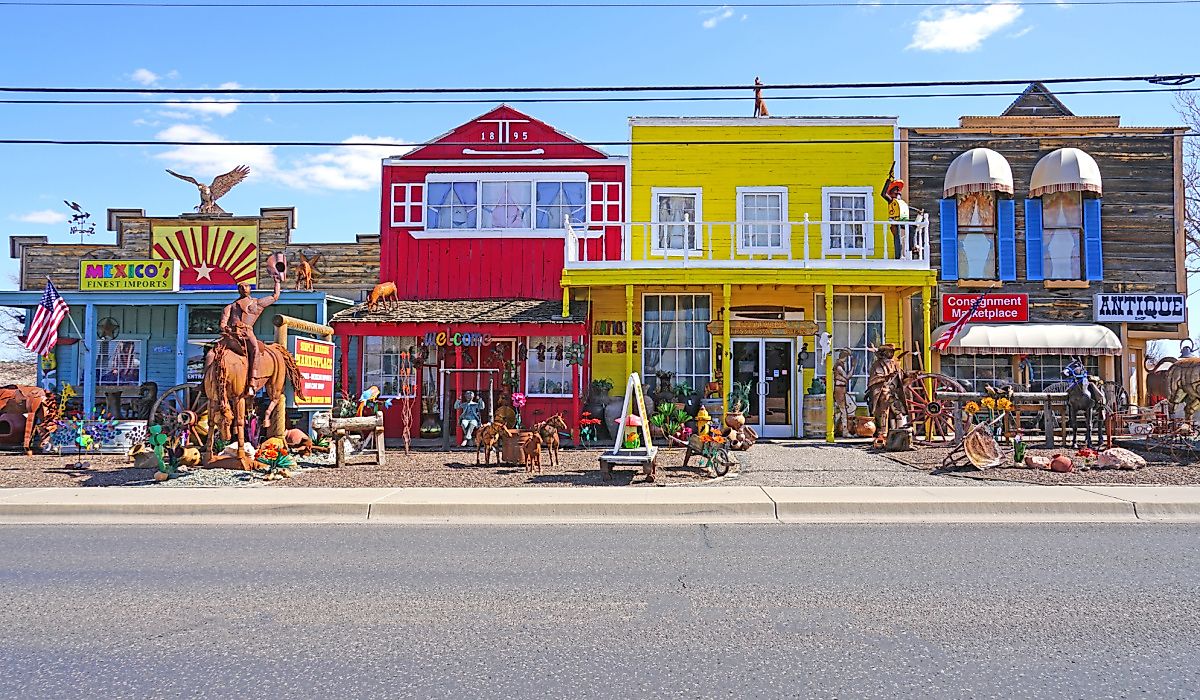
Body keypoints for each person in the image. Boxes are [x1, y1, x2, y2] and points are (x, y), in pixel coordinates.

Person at [220, 272, 281, 397]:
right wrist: (228, 329)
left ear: (250, 289)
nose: (243, 288)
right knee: (214, 352)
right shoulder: (230, 307)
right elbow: (222, 323)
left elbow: (275, 296)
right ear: (238, 290)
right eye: (241, 287)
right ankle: (205, 382)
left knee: (255, 349)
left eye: (246, 286)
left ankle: (252, 380)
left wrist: (277, 282)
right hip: (232, 335)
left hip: (247, 333)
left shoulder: (256, 303)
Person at [881, 165, 912, 259]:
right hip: (894, 221)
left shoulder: (900, 202)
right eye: (896, 191)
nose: (898, 192)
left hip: (901, 220)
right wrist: (889, 180)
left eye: (899, 191)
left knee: (912, 228)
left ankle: (911, 248)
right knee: (897, 236)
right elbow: (883, 194)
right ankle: (898, 255)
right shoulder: (891, 200)